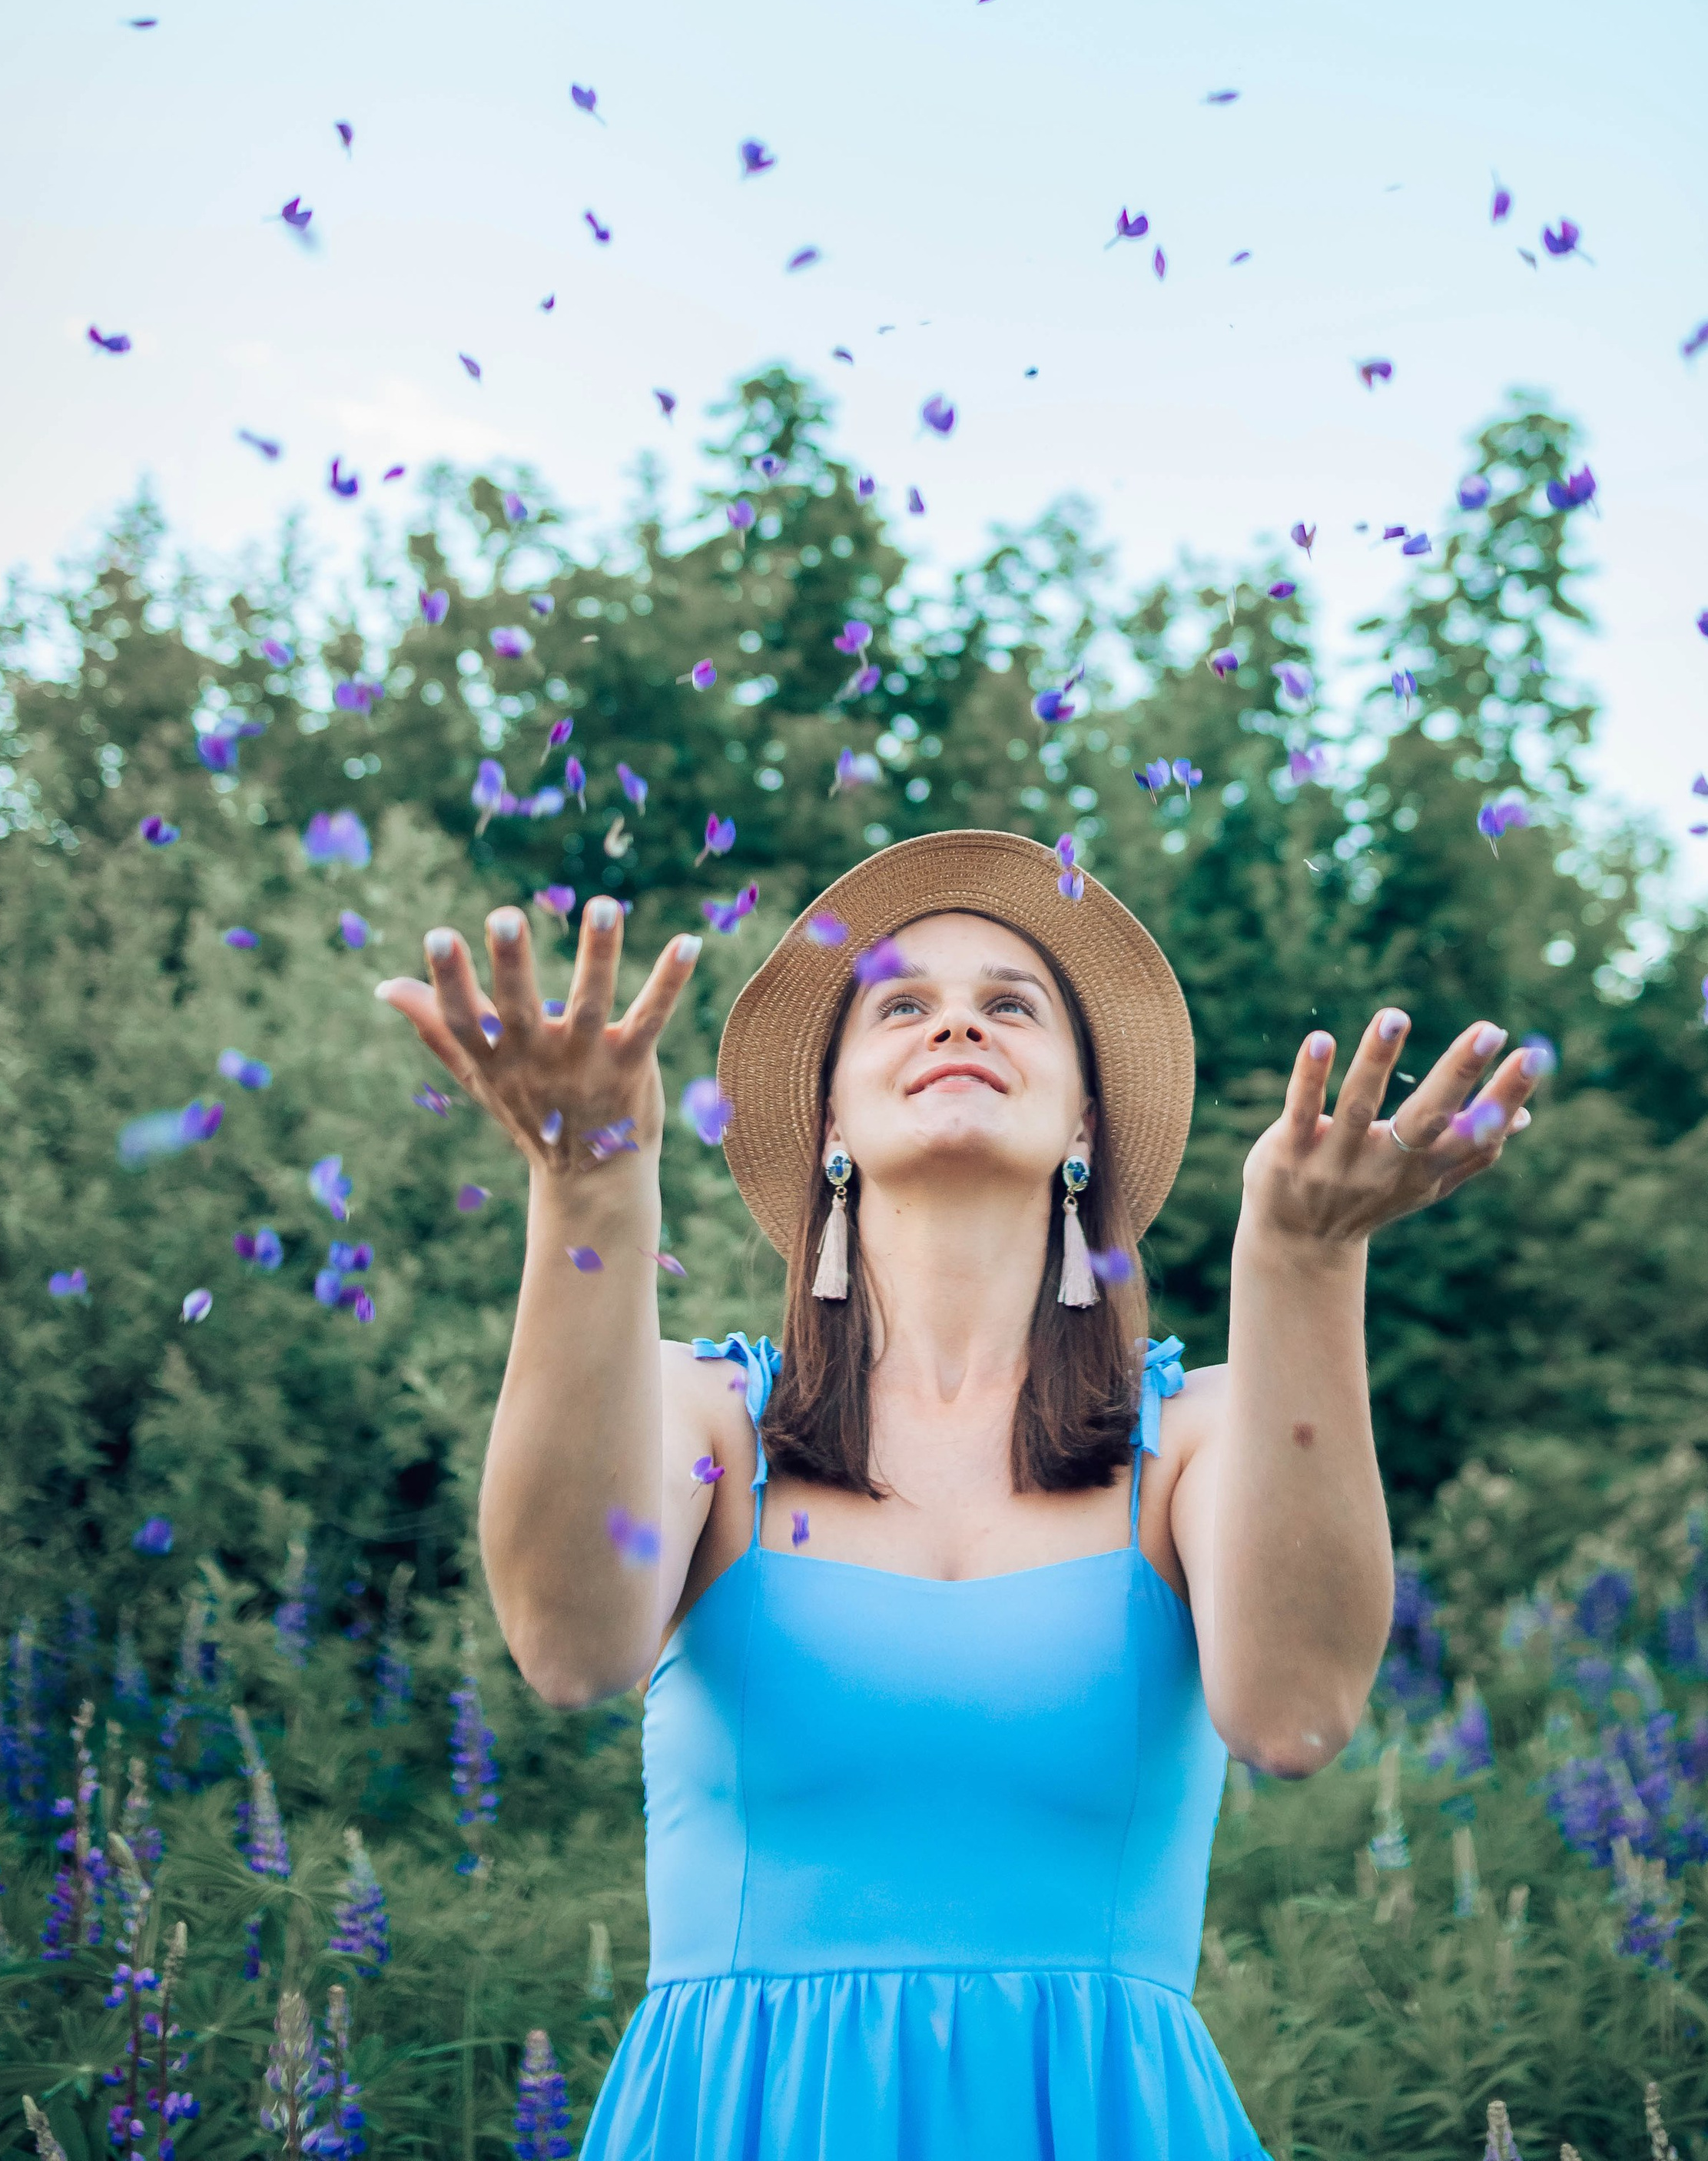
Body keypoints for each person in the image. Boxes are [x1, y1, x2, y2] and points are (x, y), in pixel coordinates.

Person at [378, 827, 1542, 2161]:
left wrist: (1306, 1263)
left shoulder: (1200, 1442)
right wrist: (587, 1190)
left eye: (1011, 1004)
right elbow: (568, 1648)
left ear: (1086, 1122)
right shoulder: (702, 1419)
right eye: (902, 1004)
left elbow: (1294, 1718)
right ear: (827, 1118)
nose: (957, 1026)